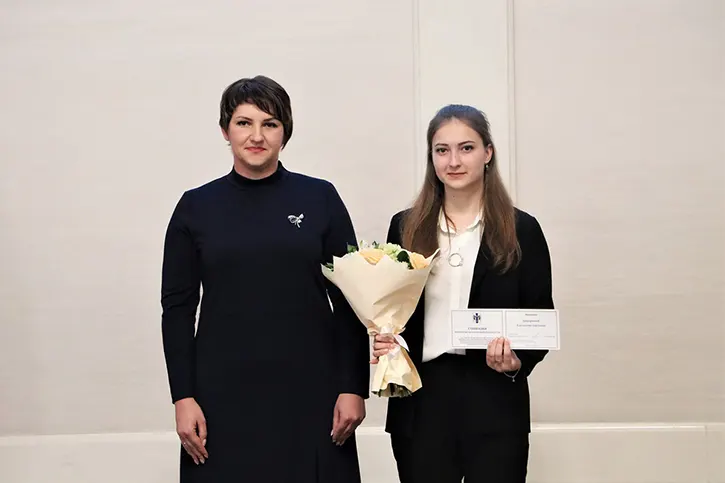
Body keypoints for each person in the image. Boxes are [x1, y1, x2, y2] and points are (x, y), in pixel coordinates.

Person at [160, 75, 369, 482]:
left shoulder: (320, 198)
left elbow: (350, 299)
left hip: (312, 390)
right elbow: (177, 310)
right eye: (244, 123)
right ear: (225, 130)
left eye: (270, 124)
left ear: (285, 133)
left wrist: (353, 386)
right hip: (221, 394)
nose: (257, 136)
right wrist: (182, 397)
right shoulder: (195, 207)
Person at [373, 104, 554, 483]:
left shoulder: (522, 230)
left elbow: (539, 315)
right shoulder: (405, 227)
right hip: (421, 401)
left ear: (488, 153)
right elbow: (391, 310)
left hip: (494, 400)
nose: (453, 161)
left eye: (466, 148)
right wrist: (386, 339)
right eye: (442, 150)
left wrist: (516, 362)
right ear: (432, 158)